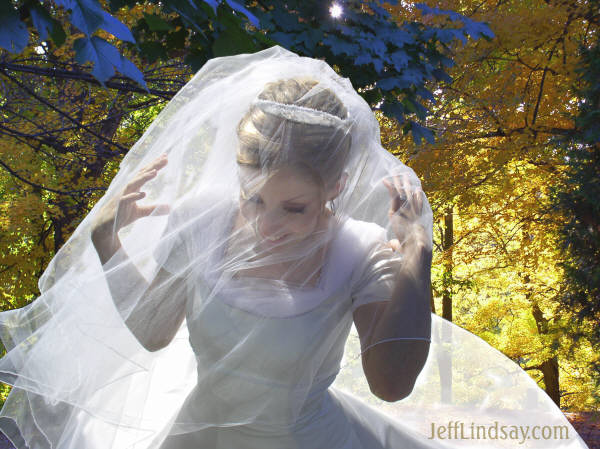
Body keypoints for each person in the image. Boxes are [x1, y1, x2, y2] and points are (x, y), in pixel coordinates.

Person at [0, 46, 589, 449]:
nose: (266, 224)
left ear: (335, 188)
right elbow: (154, 332)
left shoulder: (360, 250)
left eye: (294, 208)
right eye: (253, 199)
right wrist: (108, 241)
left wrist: (416, 256)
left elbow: (391, 383)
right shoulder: (201, 222)